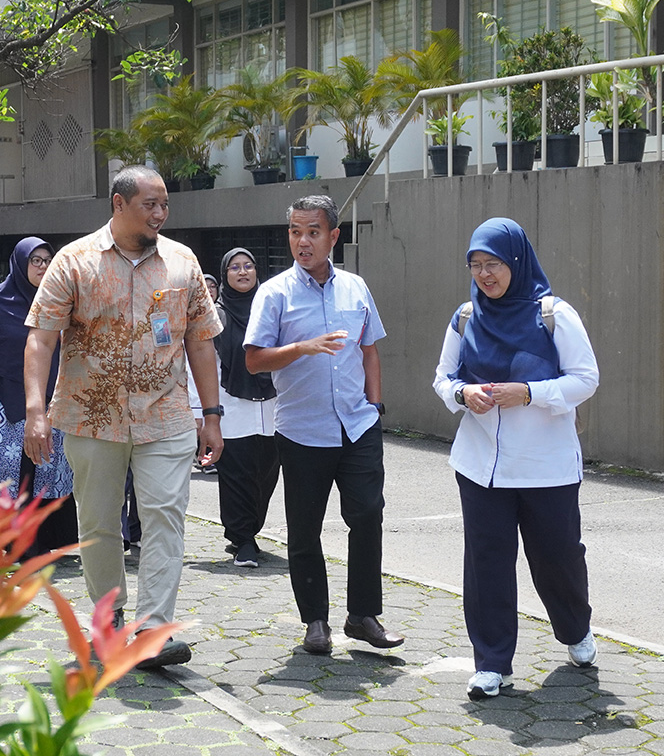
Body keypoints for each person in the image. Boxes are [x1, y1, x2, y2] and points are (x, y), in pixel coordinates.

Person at [23, 165, 223, 670]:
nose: (160, 214)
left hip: (166, 415)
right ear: (118, 203)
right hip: (91, 417)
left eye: (164, 205)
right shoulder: (73, 261)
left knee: (165, 517)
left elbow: (201, 343)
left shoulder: (183, 262)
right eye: (149, 205)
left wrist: (212, 414)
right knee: (97, 523)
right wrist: (35, 411)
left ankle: (154, 629)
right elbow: (41, 339)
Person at [431, 218, 600, 700]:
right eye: (476, 265)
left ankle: (575, 628)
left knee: (557, 558)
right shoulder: (466, 317)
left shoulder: (553, 314)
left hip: (547, 467)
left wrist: (529, 392)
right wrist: (463, 394)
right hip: (480, 465)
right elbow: (443, 377)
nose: (485, 274)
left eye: (494, 264)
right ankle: (492, 663)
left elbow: (586, 378)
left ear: (518, 262)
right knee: (487, 564)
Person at [244, 195, 403, 655]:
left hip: (358, 426)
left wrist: (375, 406)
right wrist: (302, 347)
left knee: (367, 516)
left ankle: (363, 616)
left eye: (313, 232)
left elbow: (369, 350)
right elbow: (254, 360)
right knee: (305, 529)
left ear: (333, 236)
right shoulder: (274, 293)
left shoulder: (356, 287)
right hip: (302, 431)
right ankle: (315, 621)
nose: (303, 241)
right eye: (295, 232)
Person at [0, 239, 77, 555]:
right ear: (20, 264)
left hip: (49, 401)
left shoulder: (58, 302)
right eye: (35, 260)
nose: (43, 267)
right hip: (1, 404)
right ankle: (12, 540)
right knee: (9, 472)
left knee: (45, 469)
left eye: (48, 260)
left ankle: (42, 541)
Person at [214, 248, 280, 569]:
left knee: (266, 475)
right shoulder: (217, 315)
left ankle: (248, 530)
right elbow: (207, 365)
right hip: (231, 408)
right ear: (225, 274)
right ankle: (243, 539)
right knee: (236, 476)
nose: (243, 272)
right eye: (235, 267)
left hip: (272, 407)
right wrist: (205, 413)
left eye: (248, 266)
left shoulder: (271, 311)